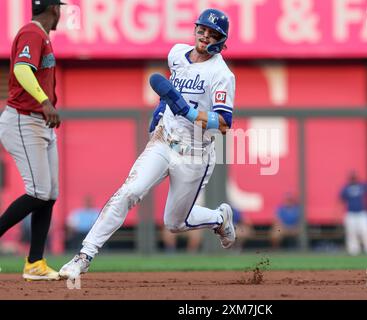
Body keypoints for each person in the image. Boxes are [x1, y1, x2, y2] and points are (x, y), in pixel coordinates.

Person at [60, 8, 236, 279]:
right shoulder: (177, 53)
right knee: (129, 191)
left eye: (212, 33)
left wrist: (190, 114)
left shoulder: (221, 73)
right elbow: (170, 91)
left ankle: (218, 218)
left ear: (221, 39)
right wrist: (161, 109)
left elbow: (224, 122)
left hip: (195, 153)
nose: (204, 36)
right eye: (202, 29)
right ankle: (84, 256)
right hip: (164, 141)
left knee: (175, 224)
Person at [0, 0, 64, 281]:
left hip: (39, 122)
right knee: (38, 192)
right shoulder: (32, 33)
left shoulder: (40, 35)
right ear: (54, 10)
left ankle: (35, 263)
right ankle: (34, 261)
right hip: (23, 120)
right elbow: (21, 70)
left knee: (48, 194)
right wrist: (45, 102)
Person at [340, 172, 367, 256]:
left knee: (366, 231)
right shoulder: (346, 187)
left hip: (362, 213)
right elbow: (341, 198)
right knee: (351, 233)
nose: (353, 179)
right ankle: (353, 251)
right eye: (352, 178)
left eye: (354, 177)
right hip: (351, 213)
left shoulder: (362, 185)